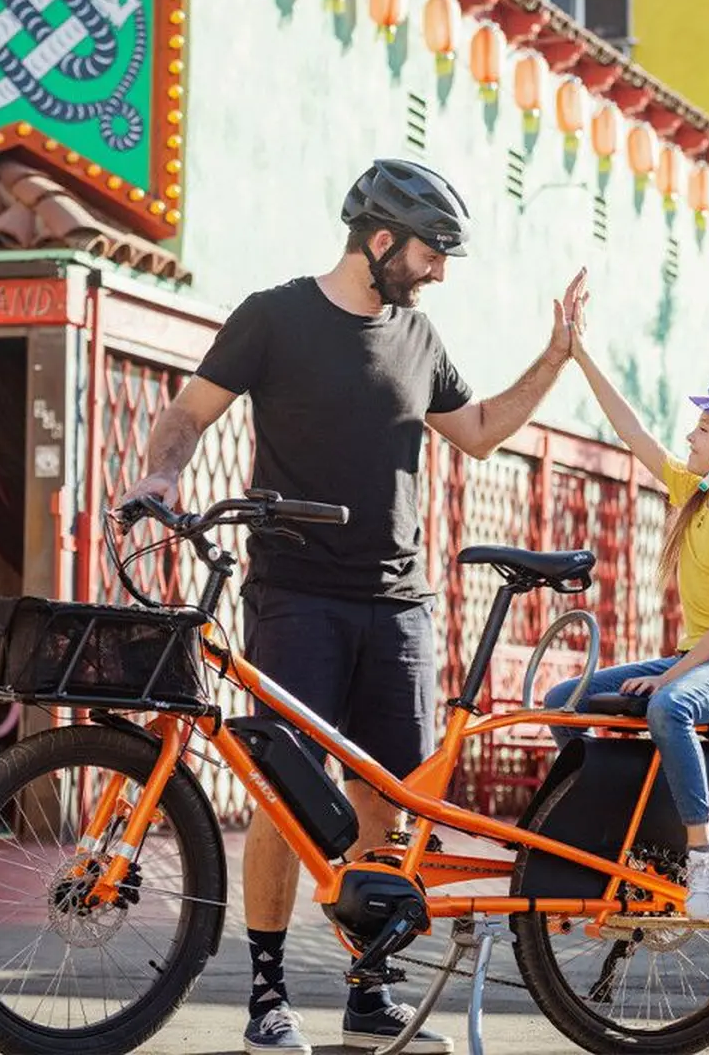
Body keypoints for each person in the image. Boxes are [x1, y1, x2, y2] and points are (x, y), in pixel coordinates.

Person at [120, 158, 588, 1055]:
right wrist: (161, 475)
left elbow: (480, 432)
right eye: (432, 251)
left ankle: (370, 993)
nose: (440, 270)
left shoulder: (419, 333)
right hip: (296, 595)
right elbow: (188, 413)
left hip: (401, 604)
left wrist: (557, 356)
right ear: (381, 241)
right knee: (283, 800)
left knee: (390, 803)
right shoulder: (274, 317)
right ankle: (266, 995)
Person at [543, 298, 709, 921]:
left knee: (671, 704)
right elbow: (631, 429)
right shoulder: (694, 493)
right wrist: (578, 350)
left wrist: (669, 676)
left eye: (706, 429)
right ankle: (614, 823)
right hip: (700, 656)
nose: (690, 435)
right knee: (562, 701)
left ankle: (702, 848)